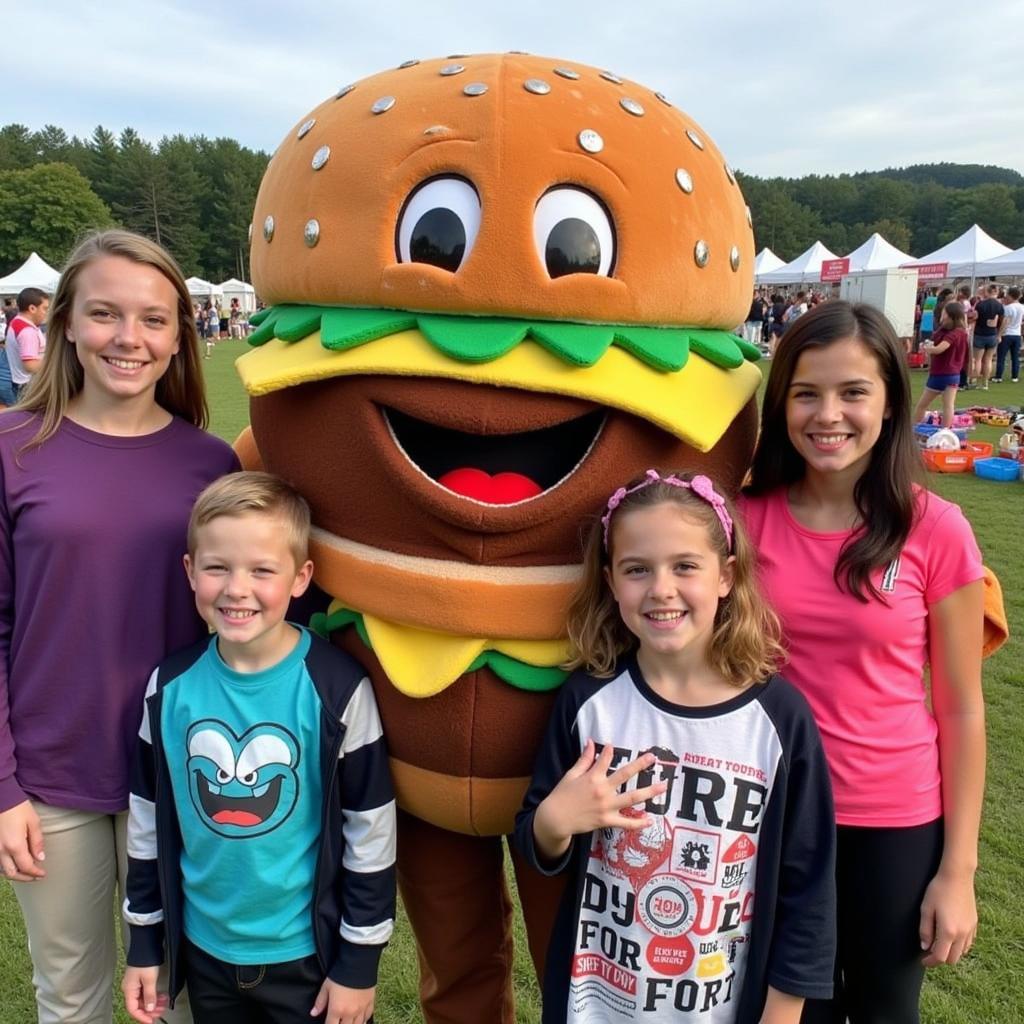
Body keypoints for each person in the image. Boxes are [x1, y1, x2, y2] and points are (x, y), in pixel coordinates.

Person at [0, 230, 240, 1024]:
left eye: (152, 319)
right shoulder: (12, 450)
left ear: (181, 335)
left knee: (171, 999)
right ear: (67, 321)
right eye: (105, 313)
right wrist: (4, 788)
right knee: (69, 997)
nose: (128, 339)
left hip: (184, 773)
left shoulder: (214, 466)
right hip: (50, 775)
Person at [514, 469, 837, 1024]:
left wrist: (783, 1012)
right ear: (612, 582)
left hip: (721, 1004)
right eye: (637, 569)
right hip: (596, 1003)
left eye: (685, 566)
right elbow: (535, 837)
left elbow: (808, 884)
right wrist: (553, 820)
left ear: (726, 576)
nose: (661, 588)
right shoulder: (588, 703)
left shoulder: (778, 719)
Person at [740, 301, 985, 1024]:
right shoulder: (743, 519)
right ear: (781, 400)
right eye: (806, 392)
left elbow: (963, 708)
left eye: (853, 393)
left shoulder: (936, 529)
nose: (829, 414)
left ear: (888, 403)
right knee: (788, 1010)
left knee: (883, 1012)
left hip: (893, 821)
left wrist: (959, 870)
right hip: (770, 815)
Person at [121, 471, 396, 1024]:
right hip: (205, 953)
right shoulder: (168, 689)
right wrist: (145, 943)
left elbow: (371, 831)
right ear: (190, 570)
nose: (236, 588)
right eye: (217, 566)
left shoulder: (338, 689)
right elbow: (148, 823)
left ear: (301, 577)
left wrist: (357, 964)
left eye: (262, 570)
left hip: (307, 959)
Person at [914, 301, 969, 428]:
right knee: (948, 406)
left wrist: (928, 349)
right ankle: (945, 431)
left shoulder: (954, 333)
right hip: (953, 374)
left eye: (944, 314)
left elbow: (940, 348)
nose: (941, 316)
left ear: (950, 316)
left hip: (941, 374)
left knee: (922, 405)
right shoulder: (957, 332)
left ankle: (915, 428)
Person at [4, 286, 50, 400]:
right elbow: (31, 365)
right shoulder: (27, 331)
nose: (46, 313)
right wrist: (54, 363)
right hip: (28, 385)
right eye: (44, 308)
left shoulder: (18, 321)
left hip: (22, 383)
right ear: (32, 308)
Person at [971, 283, 1003, 389]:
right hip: (992, 335)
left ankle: (975, 381)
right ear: (996, 292)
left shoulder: (980, 304)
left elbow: (975, 318)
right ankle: (985, 383)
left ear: (987, 292)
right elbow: (1002, 322)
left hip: (980, 334)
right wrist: (999, 334)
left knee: (978, 359)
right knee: (988, 359)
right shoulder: (999, 305)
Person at [991, 285, 1022, 383]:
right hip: (1017, 334)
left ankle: (998, 376)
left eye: (1007, 295)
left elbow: (1005, 321)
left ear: (1011, 296)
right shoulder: (1022, 307)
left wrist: (999, 334)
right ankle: (1015, 376)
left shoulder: (1009, 307)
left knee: (1001, 356)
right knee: (1015, 357)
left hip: (1007, 334)